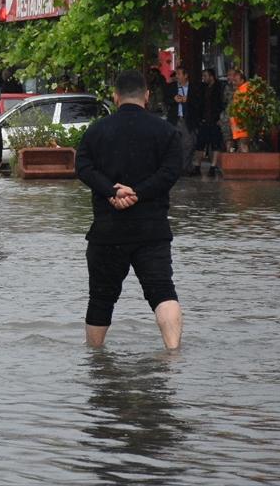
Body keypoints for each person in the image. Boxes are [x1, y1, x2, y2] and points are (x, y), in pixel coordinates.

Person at [76, 69, 183, 350]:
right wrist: (139, 192)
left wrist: (112, 191)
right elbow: (171, 172)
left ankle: (96, 362)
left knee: (100, 299)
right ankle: (173, 356)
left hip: (107, 231)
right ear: (147, 96)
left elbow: (83, 168)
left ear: (115, 97)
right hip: (152, 230)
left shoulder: (96, 131)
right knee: (163, 293)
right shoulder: (166, 132)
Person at [165, 67, 200, 174]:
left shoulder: (194, 88)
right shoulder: (171, 87)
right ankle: (175, 168)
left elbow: (199, 103)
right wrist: (174, 100)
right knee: (173, 144)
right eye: (176, 74)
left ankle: (184, 168)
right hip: (175, 119)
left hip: (187, 119)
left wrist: (187, 100)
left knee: (188, 144)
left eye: (179, 74)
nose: (177, 76)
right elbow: (166, 100)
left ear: (185, 75)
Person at [195, 68, 225, 175]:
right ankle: (197, 166)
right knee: (200, 143)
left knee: (215, 143)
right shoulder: (203, 88)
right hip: (204, 119)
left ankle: (213, 166)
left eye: (205, 76)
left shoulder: (219, 88)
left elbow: (221, 103)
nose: (204, 79)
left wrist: (220, 117)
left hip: (214, 119)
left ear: (211, 76)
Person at [226, 68, 249, 152]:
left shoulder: (245, 90)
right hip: (237, 124)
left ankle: (245, 163)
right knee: (240, 145)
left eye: (236, 80)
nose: (234, 82)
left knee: (243, 144)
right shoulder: (239, 90)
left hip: (242, 124)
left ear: (242, 80)